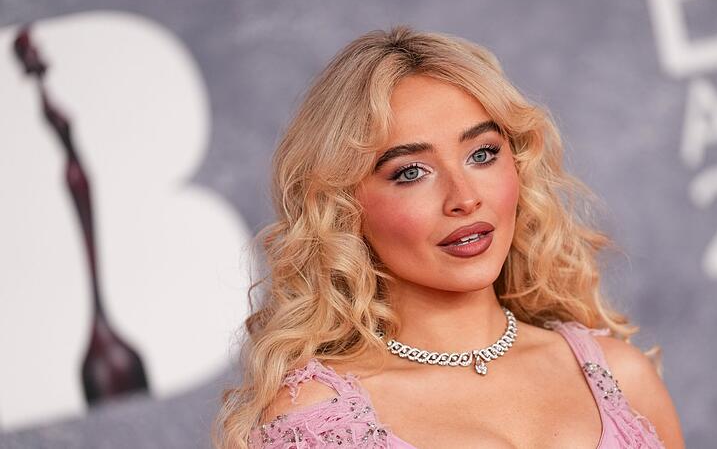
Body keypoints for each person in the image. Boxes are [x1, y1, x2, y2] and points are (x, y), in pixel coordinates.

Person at [213, 25, 684, 449]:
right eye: (410, 172)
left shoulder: (620, 376)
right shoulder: (315, 421)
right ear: (343, 206)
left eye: (482, 154)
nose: (464, 198)